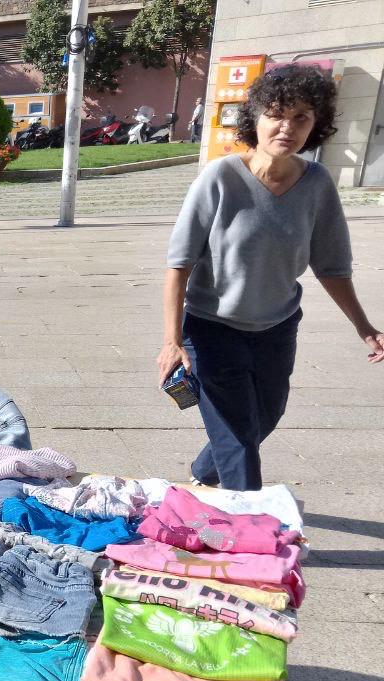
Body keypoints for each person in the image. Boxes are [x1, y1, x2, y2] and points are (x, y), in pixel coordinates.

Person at [159, 66, 383, 491]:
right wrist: (172, 341)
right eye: (276, 115)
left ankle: (205, 472)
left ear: (316, 124)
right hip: (211, 329)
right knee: (239, 437)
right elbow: (179, 264)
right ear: (255, 118)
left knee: (266, 416)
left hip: (277, 329)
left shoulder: (317, 184)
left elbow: (332, 266)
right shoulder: (220, 178)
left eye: (301, 117)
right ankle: (248, 518)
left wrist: (365, 327)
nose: (287, 127)